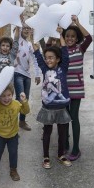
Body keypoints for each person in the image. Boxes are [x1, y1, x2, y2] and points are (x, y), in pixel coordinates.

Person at [33, 30, 72, 169]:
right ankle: (46, 156)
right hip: (48, 107)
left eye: (51, 57)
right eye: (47, 57)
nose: (48, 60)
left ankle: (61, 154)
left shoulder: (63, 68)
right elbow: (37, 54)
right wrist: (33, 39)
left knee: (63, 133)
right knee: (47, 133)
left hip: (61, 107)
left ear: (58, 59)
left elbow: (65, 52)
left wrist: (61, 35)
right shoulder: (44, 69)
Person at [0, 84, 30, 181]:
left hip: (13, 134)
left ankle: (13, 170)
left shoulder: (16, 103)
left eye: (9, 95)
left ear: (12, 94)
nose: (6, 98)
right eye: (3, 96)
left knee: (13, 153)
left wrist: (24, 101)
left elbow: (25, 111)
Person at [61, 15, 92, 161]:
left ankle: (76, 148)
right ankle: (65, 144)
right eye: (67, 36)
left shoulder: (80, 49)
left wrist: (77, 23)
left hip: (76, 89)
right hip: (64, 90)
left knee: (74, 117)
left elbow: (89, 38)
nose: (70, 38)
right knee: (65, 118)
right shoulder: (62, 51)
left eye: (73, 36)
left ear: (76, 37)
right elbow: (47, 49)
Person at [13, 0, 41, 131]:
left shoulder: (30, 44)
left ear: (31, 31)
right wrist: (21, 3)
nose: (26, 30)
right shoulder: (18, 40)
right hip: (17, 73)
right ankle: (14, 122)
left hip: (27, 75)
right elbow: (20, 21)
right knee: (20, 98)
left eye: (28, 29)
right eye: (24, 28)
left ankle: (22, 121)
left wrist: (37, 74)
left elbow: (35, 59)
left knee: (26, 99)